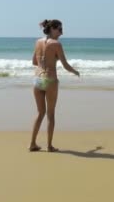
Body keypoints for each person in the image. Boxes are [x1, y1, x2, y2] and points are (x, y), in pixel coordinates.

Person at [29, 19, 80, 152]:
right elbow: (65, 65)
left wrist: (49, 59)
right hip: (50, 80)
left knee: (40, 113)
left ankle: (32, 144)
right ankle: (49, 146)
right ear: (53, 29)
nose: (62, 33)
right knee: (50, 115)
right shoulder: (56, 44)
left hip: (37, 79)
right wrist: (75, 72)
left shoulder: (38, 42)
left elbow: (35, 62)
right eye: (60, 29)